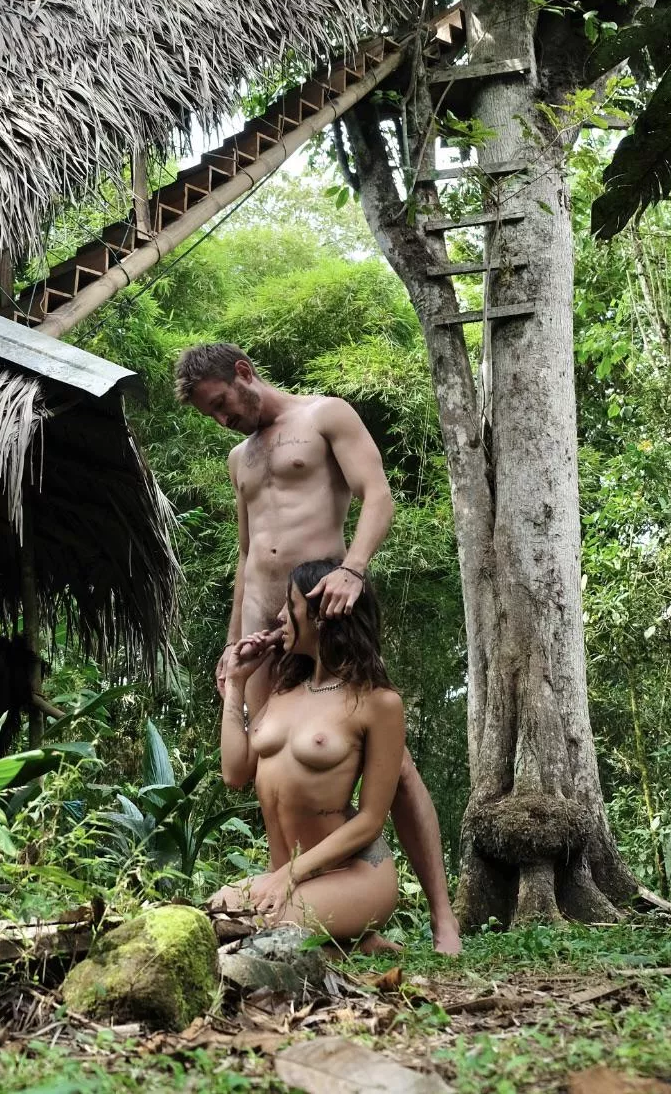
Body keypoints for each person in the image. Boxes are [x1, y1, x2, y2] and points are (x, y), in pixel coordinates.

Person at [176, 341, 461, 954]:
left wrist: (354, 569)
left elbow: (376, 494)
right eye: (212, 415)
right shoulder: (238, 458)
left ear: (245, 374)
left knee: (394, 764)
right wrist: (233, 650)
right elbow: (247, 555)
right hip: (265, 627)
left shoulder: (325, 415)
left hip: (323, 612)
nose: (224, 419)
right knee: (262, 757)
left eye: (223, 403)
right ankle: (307, 903)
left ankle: (442, 916)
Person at [211, 558, 402, 940]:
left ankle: (356, 942)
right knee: (214, 915)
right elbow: (234, 773)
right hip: (287, 878)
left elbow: (370, 820)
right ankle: (356, 944)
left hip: (355, 874)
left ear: (320, 616)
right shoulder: (283, 692)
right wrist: (235, 684)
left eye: (290, 604)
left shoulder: (378, 703)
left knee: (257, 932)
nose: (280, 615)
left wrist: (288, 875)